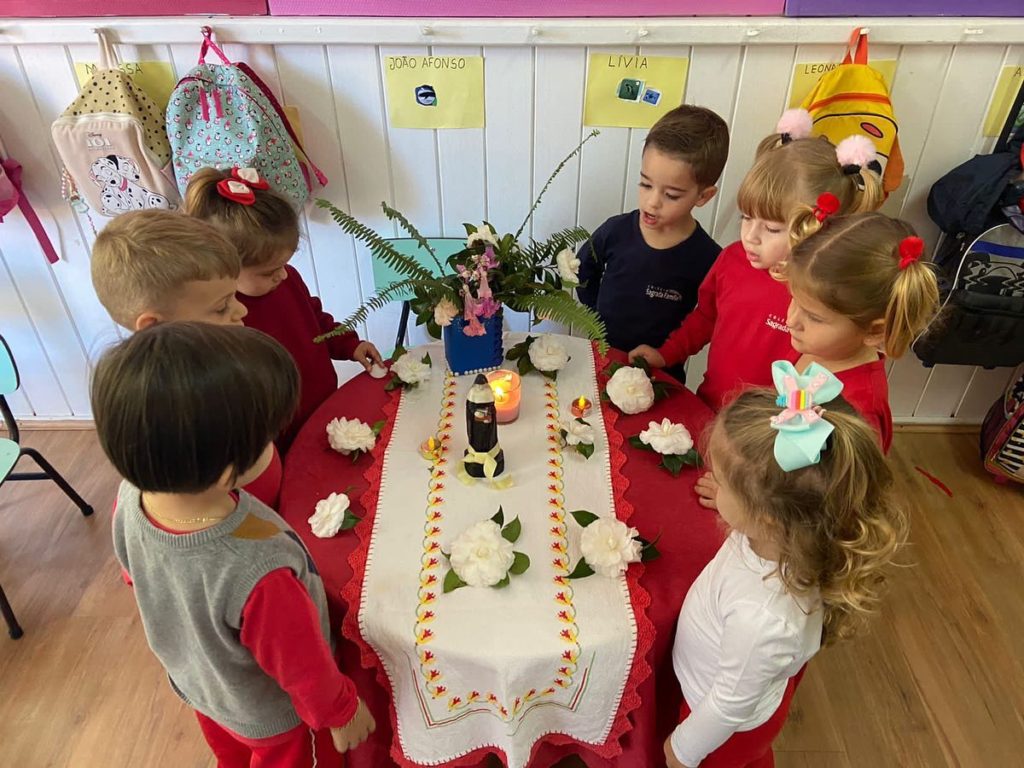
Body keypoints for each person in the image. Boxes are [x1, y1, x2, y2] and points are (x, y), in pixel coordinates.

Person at [92, 322, 375, 767]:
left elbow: (137, 576)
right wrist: (342, 711)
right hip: (280, 720)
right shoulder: (259, 567)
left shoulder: (130, 497)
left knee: (233, 756)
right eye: (265, 437)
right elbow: (303, 666)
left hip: (206, 692)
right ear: (227, 472)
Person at [665, 377, 907, 768]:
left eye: (721, 482)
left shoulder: (763, 618)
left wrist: (681, 750)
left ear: (766, 515)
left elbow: (726, 706)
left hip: (720, 728)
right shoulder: (770, 538)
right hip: (726, 688)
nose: (712, 484)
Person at [629, 110, 884, 410]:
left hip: (767, 426)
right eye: (746, 218)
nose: (750, 236)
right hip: (709, 406)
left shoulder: (818, 297)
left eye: (772, 229)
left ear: (817, 229)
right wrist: (666, 353)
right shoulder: (732, 259)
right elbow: (706, 317)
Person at [90, 210, 280, 509]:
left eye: (234, 296)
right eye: (221, 307)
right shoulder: (165, 410)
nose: (241, 311)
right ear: (155, 326)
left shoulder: (225, 358)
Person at [183, 166, 383, 450]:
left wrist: (350, 344)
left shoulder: (288, 279)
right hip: (278, 434)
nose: (282, 274)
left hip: (324, 407)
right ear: (224, 268)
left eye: (284, 264)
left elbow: (317, 320)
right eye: (269, 271)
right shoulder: (226, 319)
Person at [576, 105, 728, 383]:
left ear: (703, 196)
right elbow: (583, 269)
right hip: (599, 361)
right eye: (646, 184)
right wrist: (596, 317)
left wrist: (668, 353)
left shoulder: (708, 258)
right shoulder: (615, 231)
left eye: (671, 195)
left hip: (661, 378)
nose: (652, 202)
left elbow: (708, 317)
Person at [784, 210, 941, 453]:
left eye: (814, 317)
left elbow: (846, 478)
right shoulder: (818, 346)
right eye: (793, 300)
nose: (791, 321)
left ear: (875, 330)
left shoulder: (860, 410)